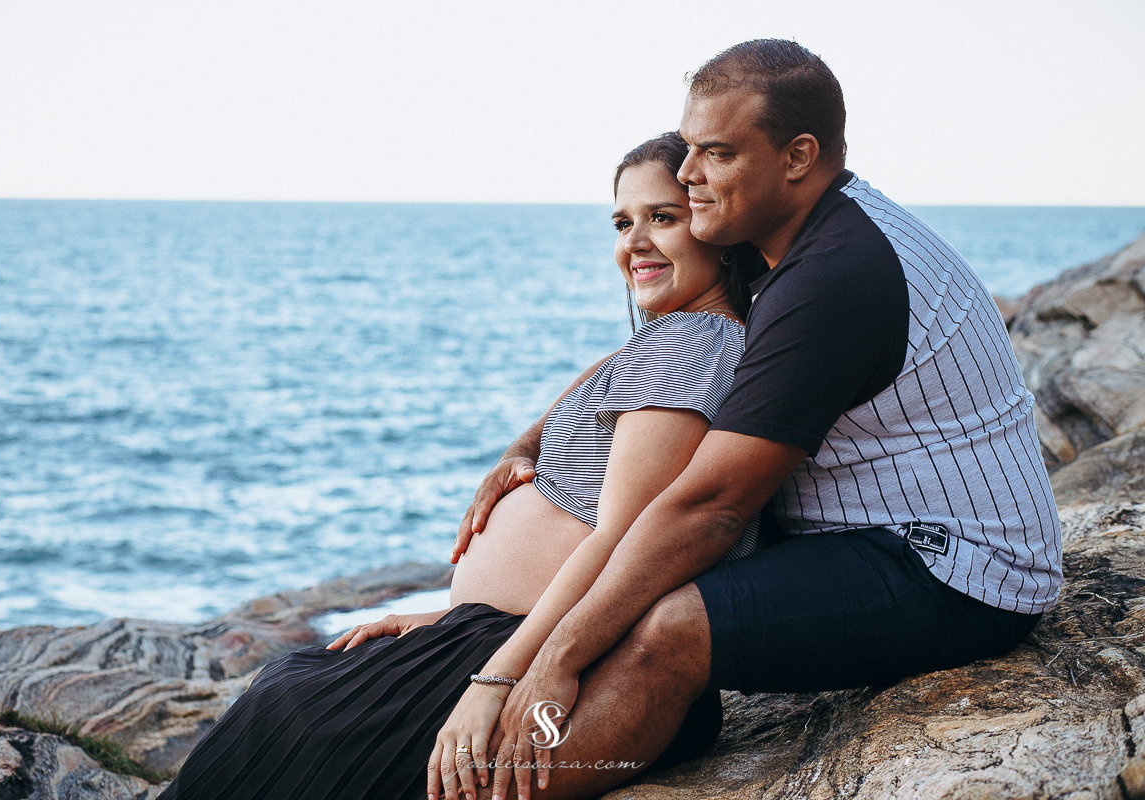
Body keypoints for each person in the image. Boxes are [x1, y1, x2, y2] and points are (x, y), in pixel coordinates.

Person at [450, 39, 1062, 800]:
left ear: (798, 156)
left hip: (955, 570)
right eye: (689, 151)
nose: (689, 174)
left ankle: (506, 790)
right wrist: (529, 441)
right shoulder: (783, 238)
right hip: (882, 536)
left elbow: (710, 509)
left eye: (715, 153)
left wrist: (545, 663)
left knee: (665, 627)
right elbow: (649, 347)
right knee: (626, 601)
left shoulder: (834, 275)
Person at [155, 131, 764, 800]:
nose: (634, 241)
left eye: (663, 217)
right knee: (293, 688)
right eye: (623, 222)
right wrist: (445, 620)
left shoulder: (693, 344)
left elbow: (621, 542)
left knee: (290, 708)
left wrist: (494, 678)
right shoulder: (681, 340)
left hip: (546, 648)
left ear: (717, 227)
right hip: (499, 630)